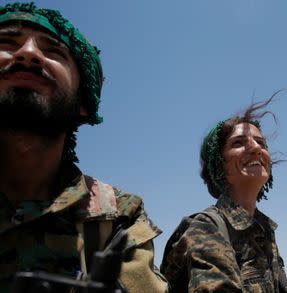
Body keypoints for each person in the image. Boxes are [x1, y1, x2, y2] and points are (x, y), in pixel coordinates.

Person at [0, 3, 167, 292]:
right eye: (6, 43)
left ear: (82, 103)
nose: (28, 53)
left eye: (53, 51)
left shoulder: (116, 215)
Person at [161, 95, 287, 292]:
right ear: (219, 165)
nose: (256, 148)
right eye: (239, 143)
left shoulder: (264, 229)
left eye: (261, 143)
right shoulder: (206, 227)